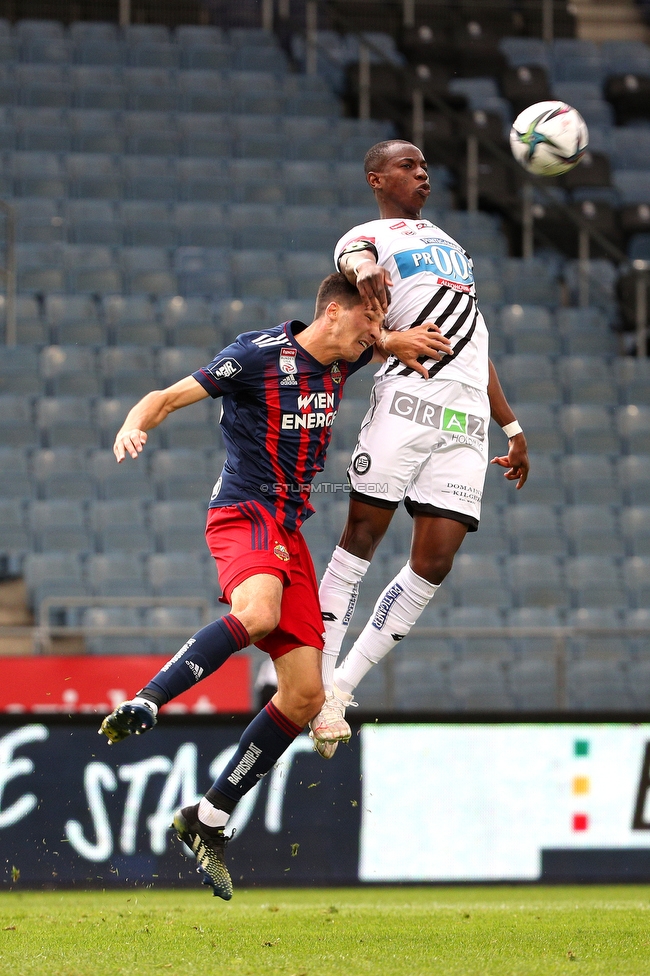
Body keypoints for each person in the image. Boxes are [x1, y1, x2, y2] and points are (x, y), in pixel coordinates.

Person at [98, 272, 451, 899]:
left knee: (305, 697)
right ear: (335, 314)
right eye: (371, 321)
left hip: (290, 531)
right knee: (257, 614)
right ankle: (148, 700)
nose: (377, 334)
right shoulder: (254, 357)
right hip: (243, 512)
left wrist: (399, 340)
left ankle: (207, 817)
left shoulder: (352, 354)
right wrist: (135, 422)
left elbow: (386, 344)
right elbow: (167, 395)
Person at [308, 140, 530, 759]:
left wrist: (510, 428)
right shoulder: (366, 238)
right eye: (407, 165)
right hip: (406, 404)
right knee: (360, 538)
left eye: (426, 164)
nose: (422, 172)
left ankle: (341, 690)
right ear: (377, 178)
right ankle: (319, 685)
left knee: (434, 563)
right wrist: (372, 296)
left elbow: (474, 339)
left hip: (464, 423)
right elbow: (353, 269)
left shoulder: (455, 250)